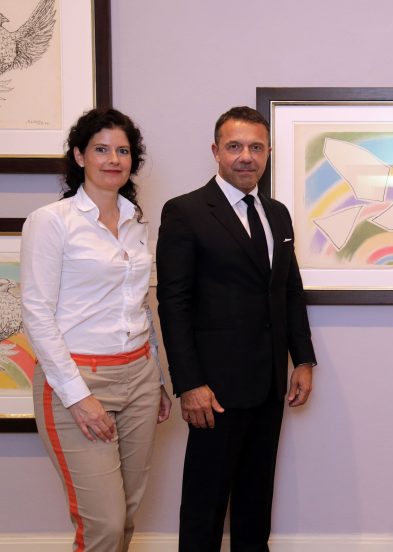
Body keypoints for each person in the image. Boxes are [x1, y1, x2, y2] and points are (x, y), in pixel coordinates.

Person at [156, 106, 317, 551]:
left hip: (268, 384)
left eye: (255, 147)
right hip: (214, 392)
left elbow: (289, 290)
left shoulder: (278, 214)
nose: (245, 156)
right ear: (215, 151)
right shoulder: (185, 212)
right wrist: (189, 384)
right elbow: (173, 303)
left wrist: (302, 358)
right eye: (234, 147)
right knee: (205, 508)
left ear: (267, 153)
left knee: (255, 503)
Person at [21, 108, 172, 551]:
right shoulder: (53, 221)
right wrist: (79, 397)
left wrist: (158, 379)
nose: (113, 159)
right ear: (79, 155)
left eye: (122, 150)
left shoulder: (136, 223)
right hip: (79, 381)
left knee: (126, 514)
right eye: (101, 149)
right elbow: (36, 313)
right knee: (103, 524)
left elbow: (142, 305)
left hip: (140, 377)